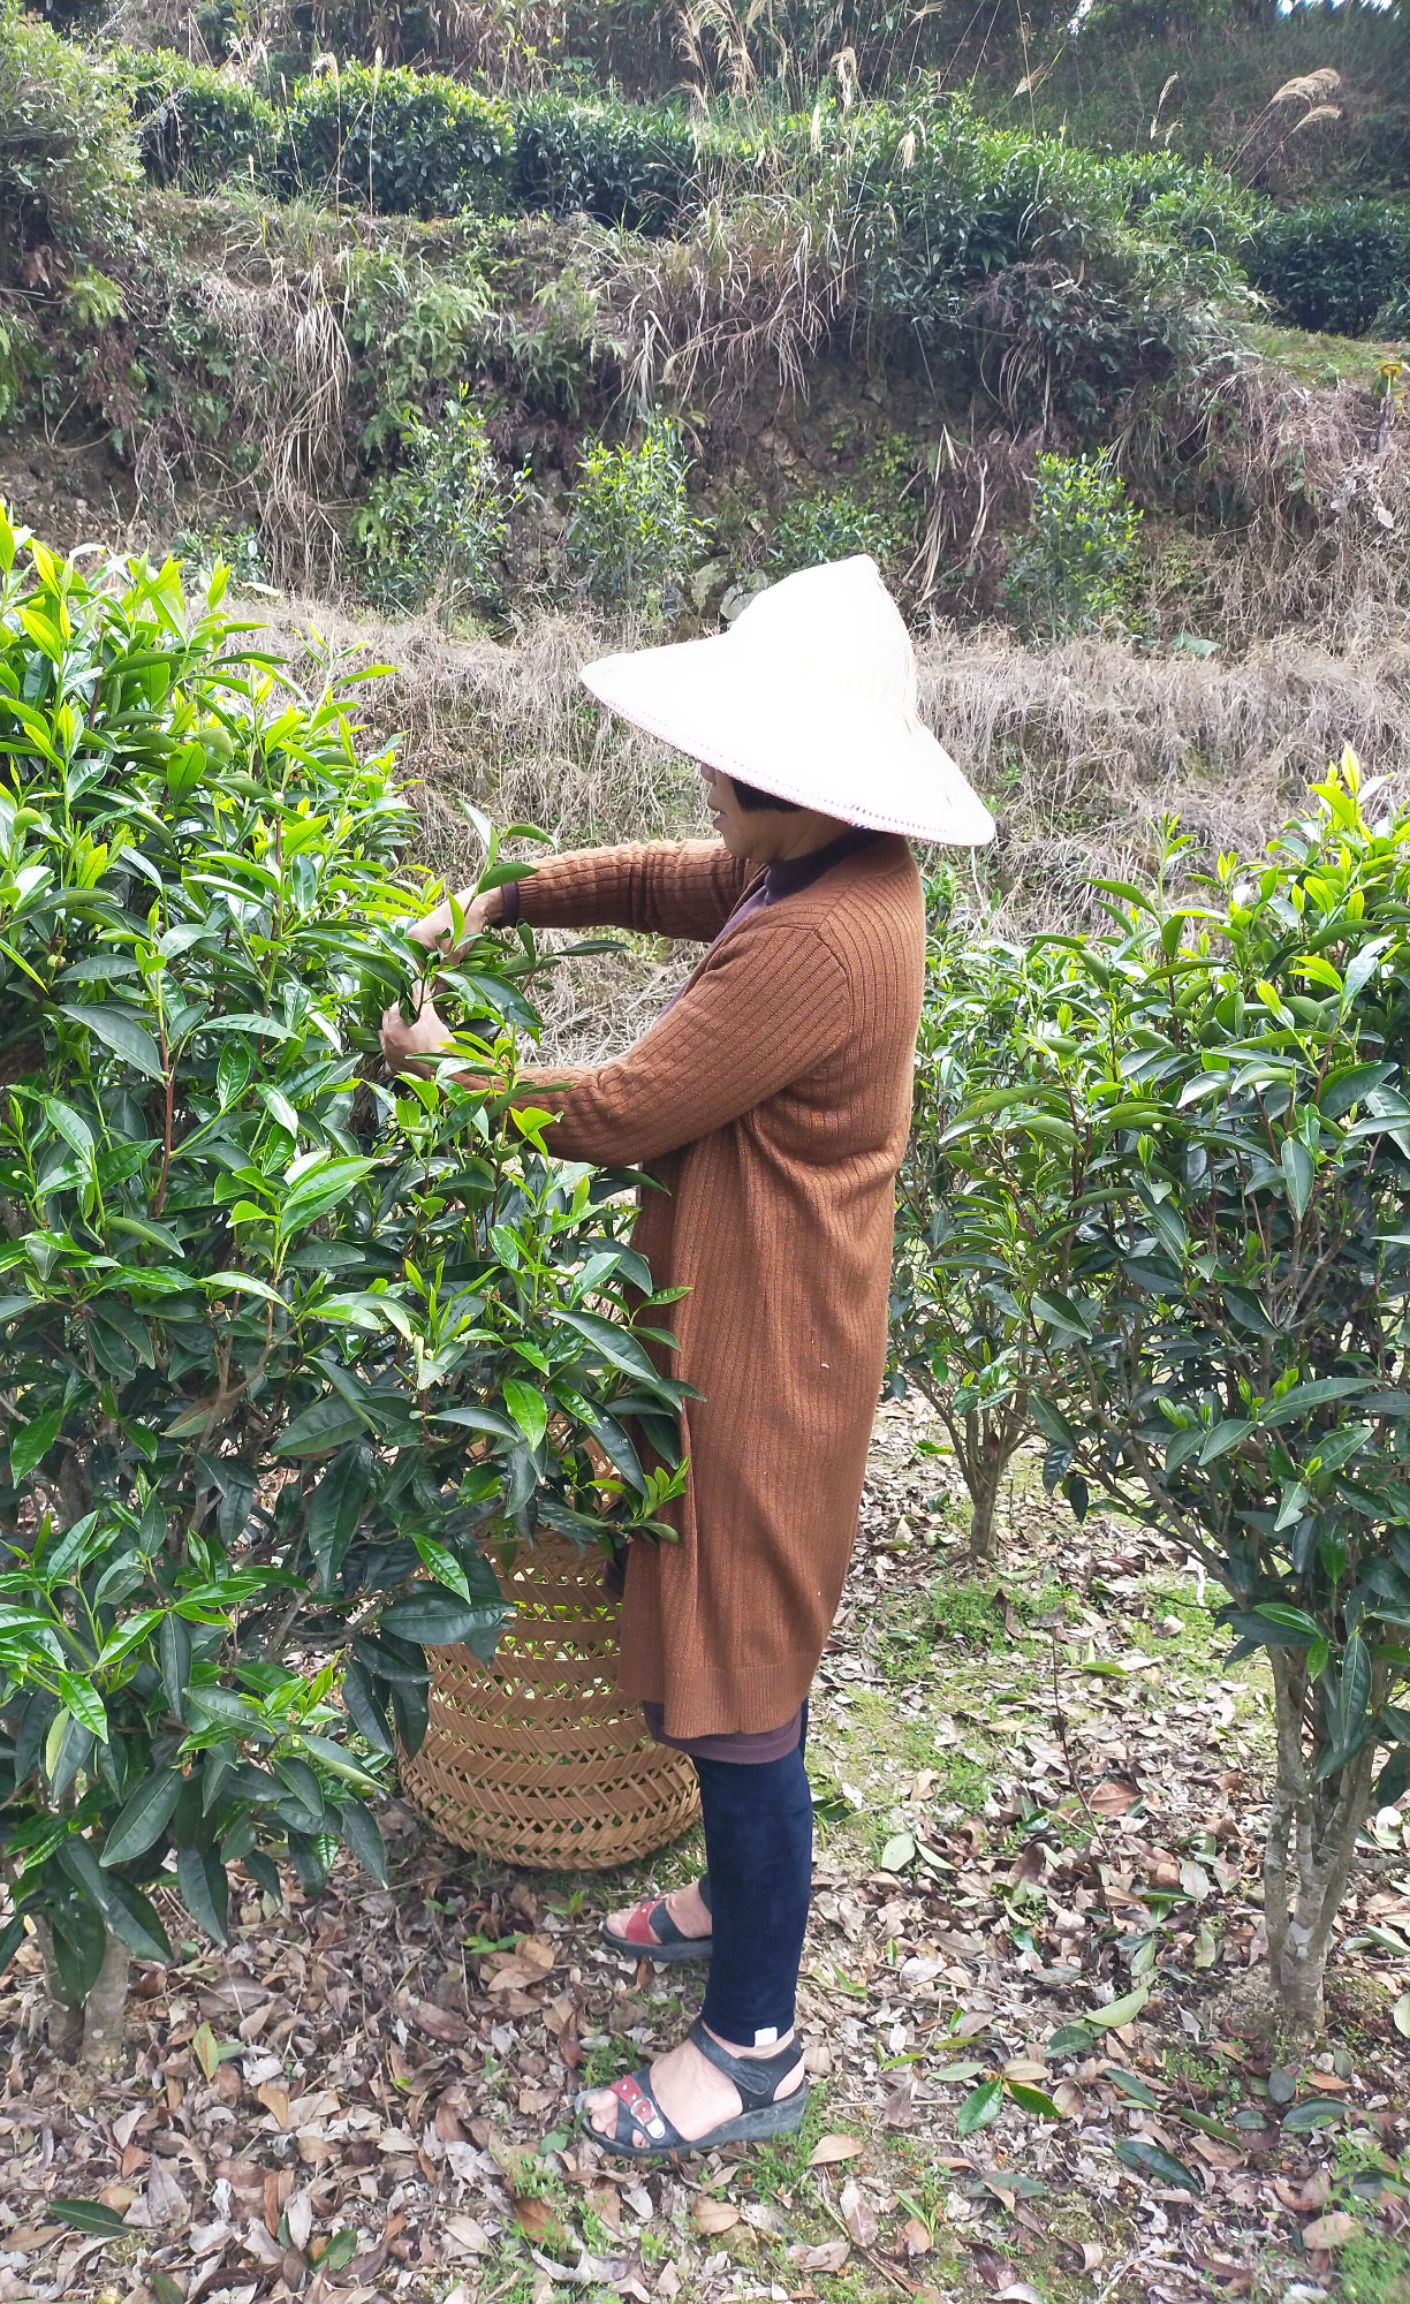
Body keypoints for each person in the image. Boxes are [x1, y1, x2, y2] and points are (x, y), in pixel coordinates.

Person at [382, 556, 995, 2159]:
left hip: (766, 1353)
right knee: (734, 1663)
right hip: (752, 1321)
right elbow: (673, 878)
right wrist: (507, 894)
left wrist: (457, 1077)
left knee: (745, 1702)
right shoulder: (818, 868)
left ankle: (758, 2047)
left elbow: (632, 1106)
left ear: (789, 781)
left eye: (728, 761)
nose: (706, 782)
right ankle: (736, 1913)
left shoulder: (818, 936)